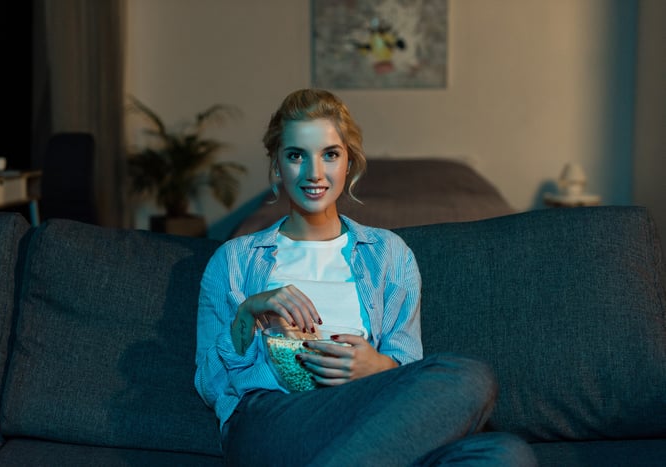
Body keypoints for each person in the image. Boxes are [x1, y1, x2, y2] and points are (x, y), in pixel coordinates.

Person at [194, 88, 537, 466]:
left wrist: (380, 367)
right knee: (470, 379)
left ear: (349, 164)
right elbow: (210, 384)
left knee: (505, 452)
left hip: (368, 419)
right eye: (296, 156)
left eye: (330, 155)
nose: (315, 173)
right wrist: (247, 312)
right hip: (274, 420)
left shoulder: (389, 254)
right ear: (277, 167)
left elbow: (409, 373)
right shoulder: (235, 258)